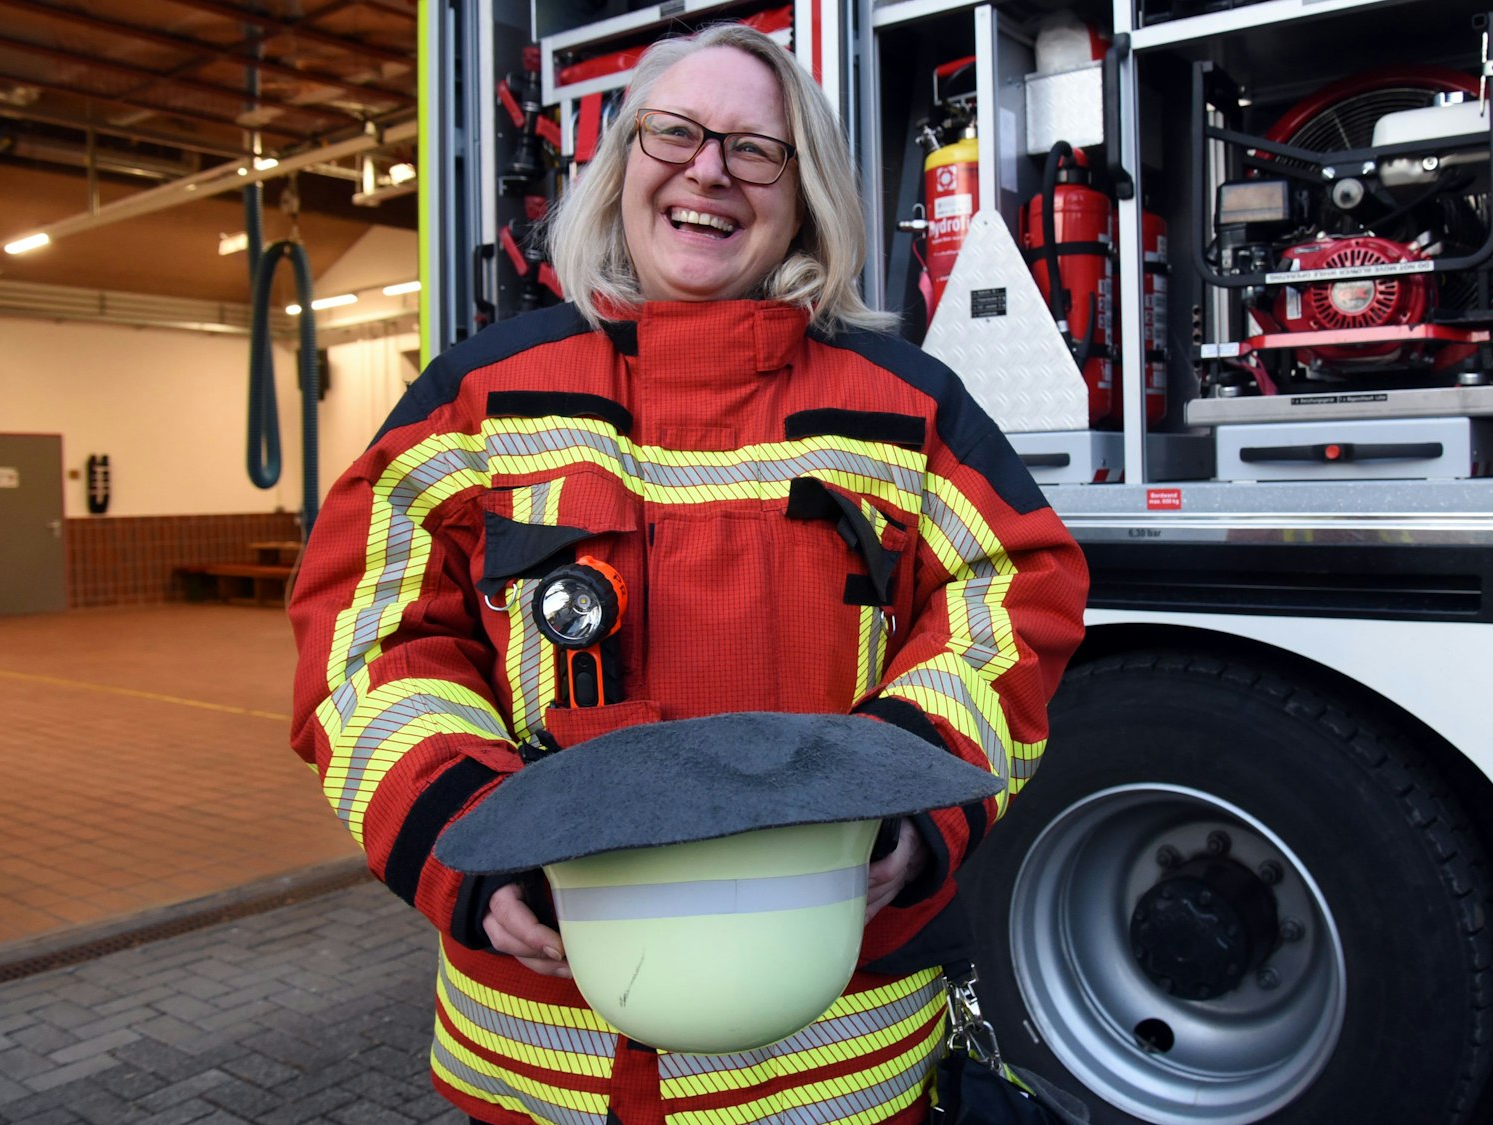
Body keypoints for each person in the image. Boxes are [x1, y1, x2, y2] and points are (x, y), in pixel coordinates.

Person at [287, 21, 1088, 1125]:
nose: (707, 170)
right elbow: (366, 643)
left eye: (755, 150)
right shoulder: (477, 399)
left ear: (803, 194)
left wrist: (906, 809)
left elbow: (1011, 607)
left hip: (831, 1076)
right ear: (620, 163)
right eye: (674, 132)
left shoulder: (906, 410)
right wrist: (463, 836)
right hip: (544, 1067)